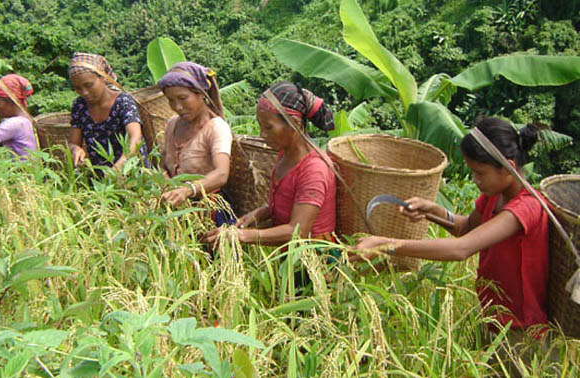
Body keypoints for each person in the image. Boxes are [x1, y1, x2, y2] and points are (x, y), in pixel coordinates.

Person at [352, 117, 548, 333]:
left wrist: (385, 244)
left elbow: (461, 248)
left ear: (508, 167)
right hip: (492, 317)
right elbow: (465, 228)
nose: (475, 180)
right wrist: (433, 211)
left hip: (522, 329)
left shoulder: (526, 208)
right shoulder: (495, 195)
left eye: (480, 173)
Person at [204, 81, 336, 246]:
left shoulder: (314, 169)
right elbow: (287, 201)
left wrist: (243, 236)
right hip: (288, 253)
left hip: (314, 256)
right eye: (261, 126)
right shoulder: (285, 153)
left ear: (295, 124)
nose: (262, 134)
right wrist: (261, 213)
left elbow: (298, 231)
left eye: (268, 127)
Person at [157, 62, 235, 225]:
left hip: (209, 208)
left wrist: (188, 190)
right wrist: (166, 184)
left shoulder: (216, 127)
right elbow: (163, 162)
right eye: (171, 100)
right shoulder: (172, 124)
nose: (177, 107)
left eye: (183, 98)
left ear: (201, 94)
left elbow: (221, 173)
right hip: (175, 207)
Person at [67, 52, 148, 170]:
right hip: (101, 176)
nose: (84, 92)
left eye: (89, 85)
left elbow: (135, 138)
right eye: (78, 88)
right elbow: (73, 142)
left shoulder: (123, 102)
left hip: (132, 170)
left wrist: (121, 166)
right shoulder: (80, 106)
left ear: (103, 78)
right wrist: (75, 149)